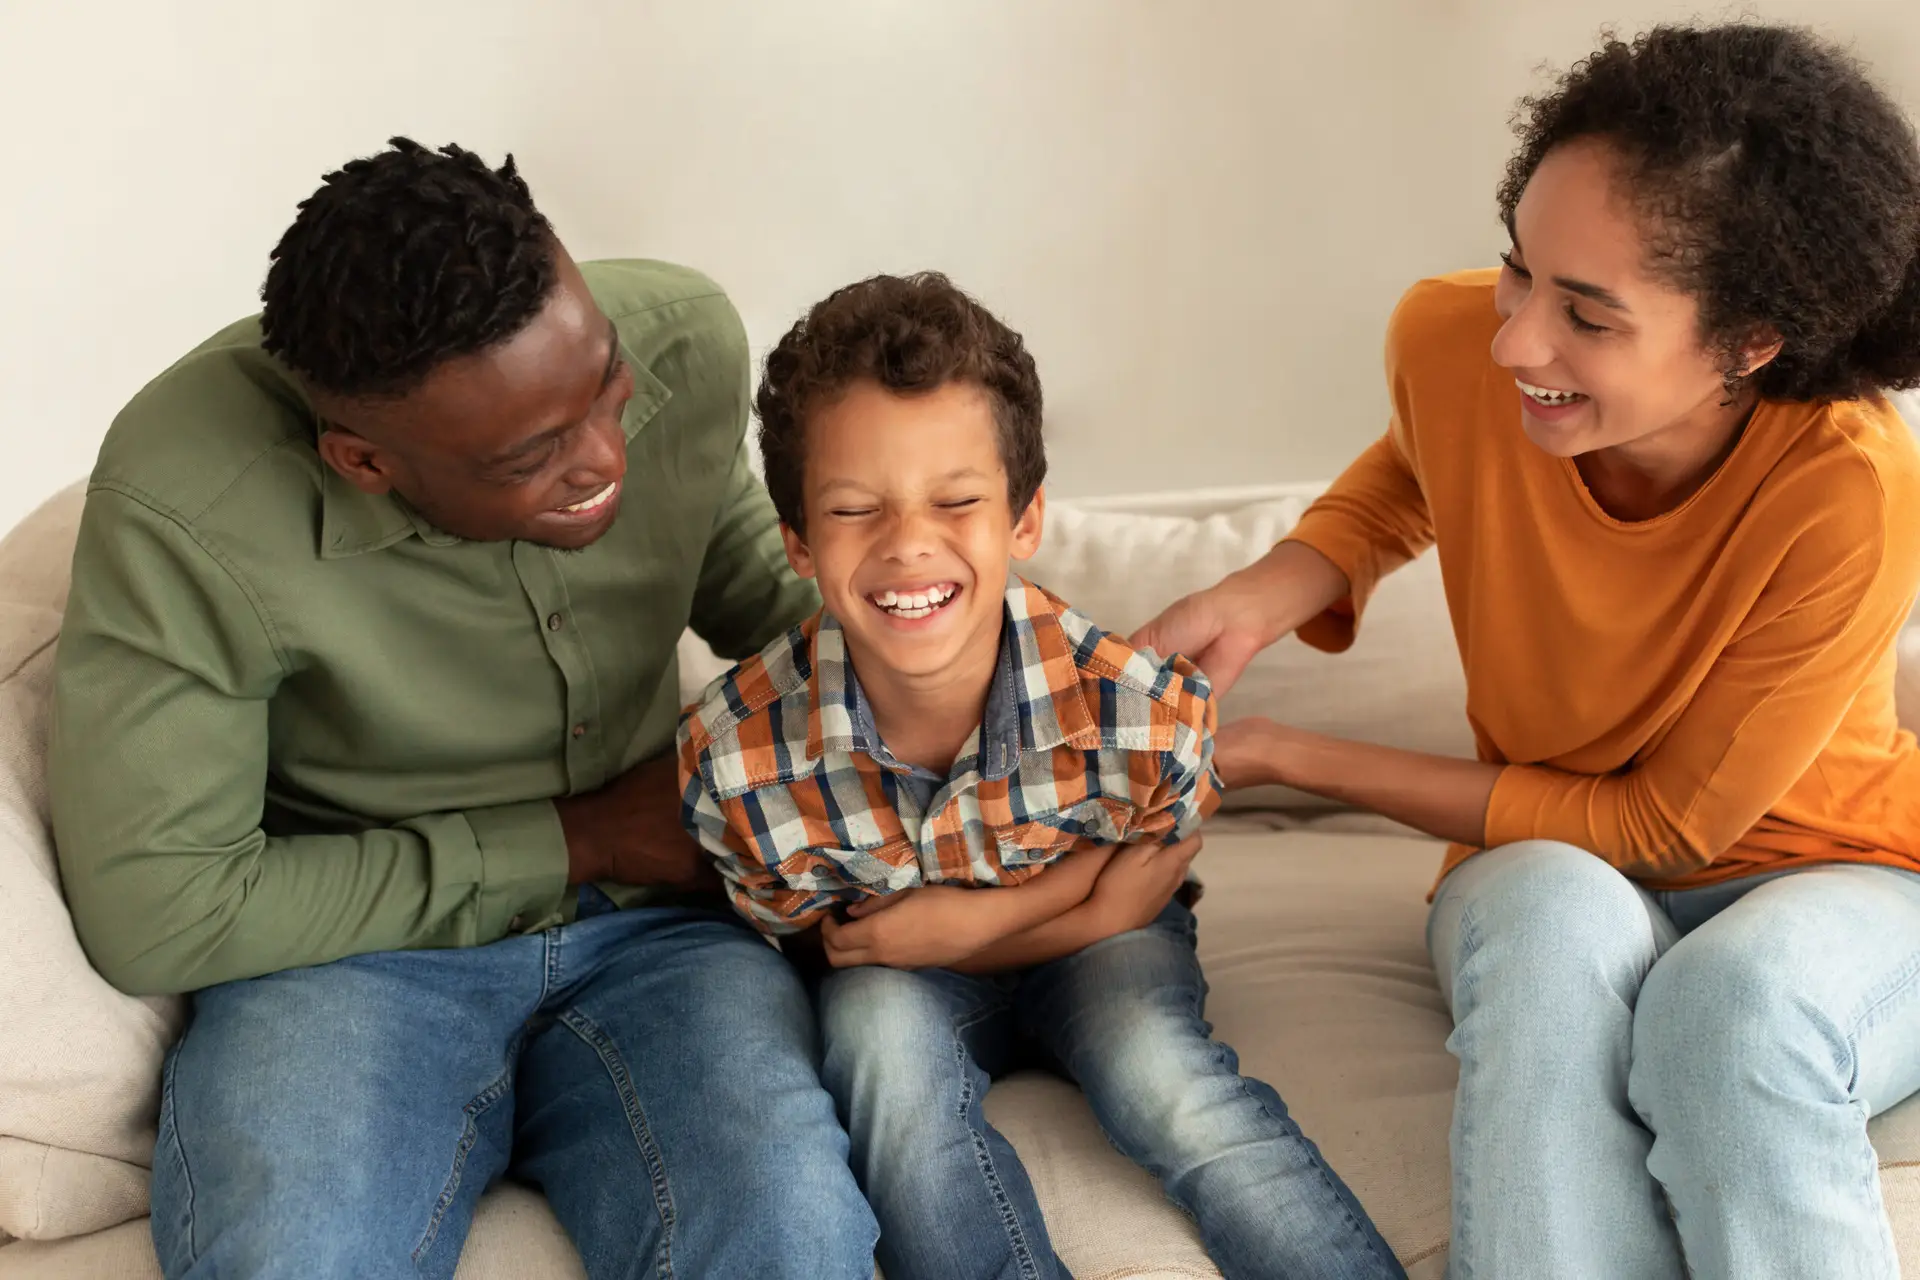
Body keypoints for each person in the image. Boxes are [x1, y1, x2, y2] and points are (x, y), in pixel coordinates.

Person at [1134, 23, 1920, 1280]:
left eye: (1587, 316)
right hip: (1546, 858)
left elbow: (1667, 827)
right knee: (1548, 929)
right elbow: (1420, 465)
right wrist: (1269, 589)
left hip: (1841, 866)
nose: (1516, 340)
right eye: (1519, 270)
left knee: (1733, 1011)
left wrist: (1284, 751)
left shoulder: (1852, 486)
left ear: (1750, 341)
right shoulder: (1450, 342)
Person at [48, 138, 878, 1280]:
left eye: (606, 386)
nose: (604, 457)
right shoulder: (190, 502)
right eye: (532, 454)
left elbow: (776, 607)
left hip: (663, 929)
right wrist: (579, 838)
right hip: (349, 955)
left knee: (789, 1234)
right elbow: (159, 909)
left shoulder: (684, 340)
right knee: (295, 1257)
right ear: (365, 462)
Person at [676, 272, 1406, 1280]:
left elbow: (1156, 860)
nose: (908, 543)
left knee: (1161, 1074)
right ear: (797, 539)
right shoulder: (738, 759)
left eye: (956, 501)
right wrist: (1072, 907)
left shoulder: (1137, 707)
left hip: (1106, 949)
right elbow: (836, 946)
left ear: (1024, 520)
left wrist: (991, 924)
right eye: (854, 509)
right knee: (877, 1038)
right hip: (914, 975)